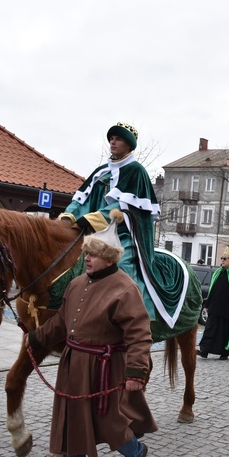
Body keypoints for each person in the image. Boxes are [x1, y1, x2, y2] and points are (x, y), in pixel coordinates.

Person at [25, 223, 157, 457]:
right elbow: (62, 322)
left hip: (106, 367)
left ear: (109, 258)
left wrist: (136, 371)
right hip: (73, 365)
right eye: (86, 253)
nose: (87, 258)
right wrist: (36, 338)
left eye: (93, 254)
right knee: (70, 421)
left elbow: (140, 334)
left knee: (111, 423)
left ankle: (135, 452)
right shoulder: (75, 284)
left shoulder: (125, 289)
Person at [56, 122, 185, 330]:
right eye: (111, 139)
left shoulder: (136, 171)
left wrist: (90, 220)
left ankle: (136, 317)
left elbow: (123, 207)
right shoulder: (101, 171)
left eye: (119, 139)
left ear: (129, 145)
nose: (113, 142)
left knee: (122, 266)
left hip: (124, 235)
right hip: (91, 234)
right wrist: (69, 216)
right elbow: (82, 199)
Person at [197, 247, 229, 360]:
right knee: (209, 328)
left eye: (225, 259)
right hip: (215, 307)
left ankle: (225, 352)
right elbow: (213, 289)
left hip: (227, 309)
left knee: (225, 331)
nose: (222, 260)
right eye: (222, 258)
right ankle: (204, 350)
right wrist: (208, 304)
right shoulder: (218, 272)